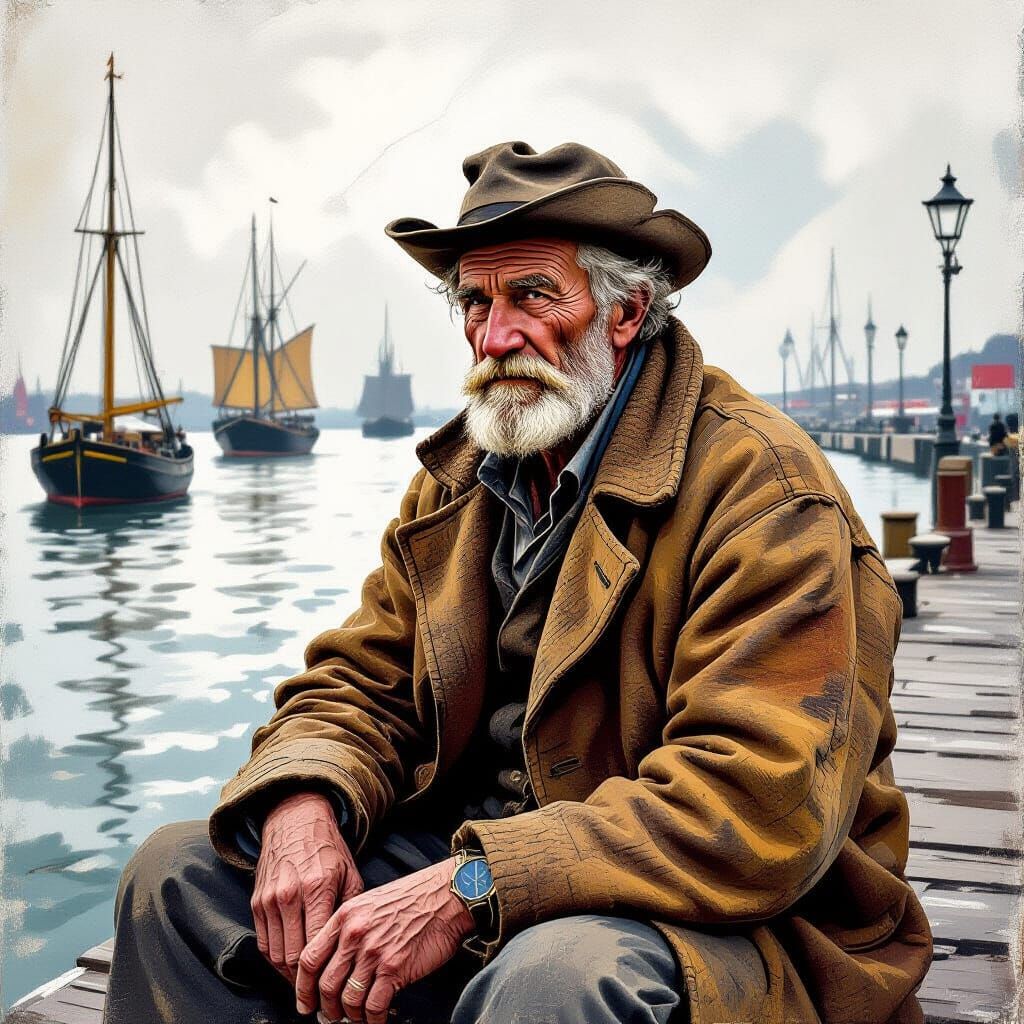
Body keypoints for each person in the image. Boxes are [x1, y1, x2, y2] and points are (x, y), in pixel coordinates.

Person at [104, 142, 932, 1024]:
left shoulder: (765, 491)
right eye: (475, 301)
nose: (495, 337)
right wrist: (304, 798)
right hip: (484, 880)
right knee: (176, 876)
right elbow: (363, 682)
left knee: (557, 977)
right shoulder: (459, 478)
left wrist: (472, 884)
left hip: (717, 921)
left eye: (532, 296)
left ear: (626, 313)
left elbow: (756, 806)